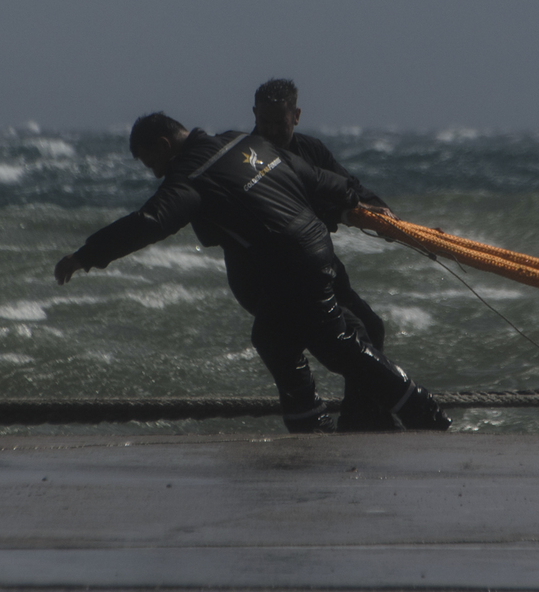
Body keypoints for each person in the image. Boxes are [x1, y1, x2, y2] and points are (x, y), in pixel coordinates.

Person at [53, 112, 449, 435]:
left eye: (152, 163)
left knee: (339, 345)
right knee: (273, 338)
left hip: (291, 267)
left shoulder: (191, 175)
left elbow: (150, 221)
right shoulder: (246, 142)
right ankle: (312, 428)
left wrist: (86, 255)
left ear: (164, 146)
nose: (156, 174)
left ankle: (426, 415)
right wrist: (357, 199)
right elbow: (312, 176)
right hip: (314, 252)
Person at [251, 78, 395, 431]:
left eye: (278, 123)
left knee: (372, 328)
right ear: (254, 115)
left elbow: (348, 187)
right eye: (263, 122)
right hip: (275, 277)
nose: (269, 131)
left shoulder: (311, 151)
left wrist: (380, 212)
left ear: (296, 116)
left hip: (321, 267)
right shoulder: (246, 159)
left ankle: (359, 418)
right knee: (352, 335)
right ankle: (348, 421)